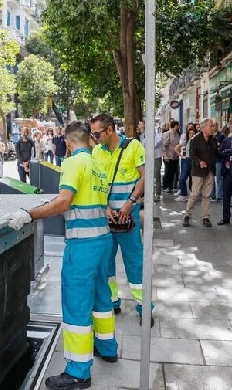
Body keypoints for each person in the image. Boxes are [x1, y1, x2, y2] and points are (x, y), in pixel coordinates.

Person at [6, 121, 118, 390]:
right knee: (102, 296)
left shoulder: (72, 163)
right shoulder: (98, 164)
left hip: (83, 245)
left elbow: (65, 201)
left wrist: (29, 214)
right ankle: (107, 347)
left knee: (76, 304)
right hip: (103, 240)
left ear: (67, 143)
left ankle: (78, 372)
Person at [90, 114, 148, 324]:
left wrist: (130, 202)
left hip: (128, 214)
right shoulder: (96, 152)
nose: (94, 137)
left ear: (110, 129)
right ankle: (112, 301)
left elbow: (145, 175)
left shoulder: (134, 147)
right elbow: (94, 182)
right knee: (106, 261)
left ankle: (144, 306)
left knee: (135, 260)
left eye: (97, 133)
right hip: (105, 215)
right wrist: (104, 207)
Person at [183, 118, 218, 227]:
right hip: (198, 171)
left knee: (206, 195)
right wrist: (199, 162)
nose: (213, 128)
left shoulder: (213, 140)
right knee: (194, 194)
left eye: (213, 126)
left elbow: (215, 153)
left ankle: (205, 217)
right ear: (203, 128)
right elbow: (192, 155)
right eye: (210, 126)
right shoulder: (195, 140)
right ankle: (187, 215)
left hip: (209, 171)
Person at [175, 124, 196, 202]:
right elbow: (176, 148)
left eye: (193, 133)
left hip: (194, 161)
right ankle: (184, 194)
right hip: (187, 160)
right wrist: (181, 156)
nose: (191, 135)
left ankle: (193, 195)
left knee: (194, 179)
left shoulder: (197, 141)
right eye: (190, 133)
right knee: (182, 178)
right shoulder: (186, 141)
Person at [162, 121, 180, 194]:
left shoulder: (177, 134)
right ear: (175, 126)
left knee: (173, 172)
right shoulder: (167, 134)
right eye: (178, 125)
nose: (179, 127)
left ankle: (171, 187)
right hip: (168, 156)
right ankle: (166, 187)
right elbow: (164, 145)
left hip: (175, 156)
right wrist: (165, 155)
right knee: (168, 172)